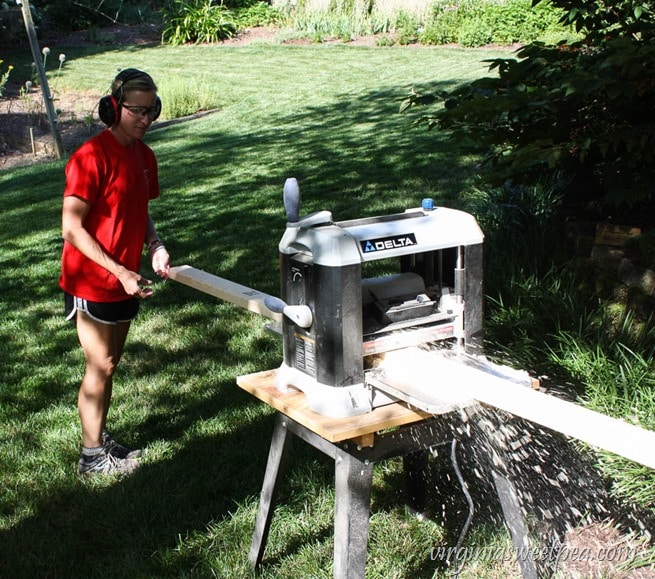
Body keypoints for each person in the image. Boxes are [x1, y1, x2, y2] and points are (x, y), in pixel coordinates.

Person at [59, 68, 170, 477]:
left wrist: (153, 245)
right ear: (113, 108)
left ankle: (98, 437)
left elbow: (140, 209)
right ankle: (91, 458)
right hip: (91, 280)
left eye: (151, 111)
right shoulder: (90, 157)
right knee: (100, 365)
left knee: (111, 363)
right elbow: (71, 228)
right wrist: (120, 270)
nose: (145, 119)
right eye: (136, 111)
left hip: (126, 278)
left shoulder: (144, 155)